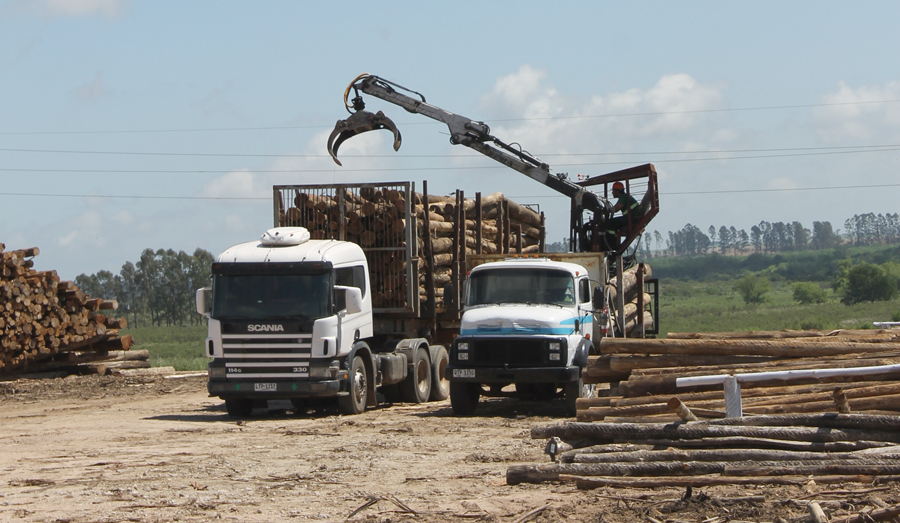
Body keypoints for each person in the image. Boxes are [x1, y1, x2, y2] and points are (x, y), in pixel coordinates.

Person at [605, 181, 643, 249]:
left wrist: (605, 210)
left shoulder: (623, 197)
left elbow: (616, 209)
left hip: (632, 219)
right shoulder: (624, 197)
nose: (612, 192)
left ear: (617, 191)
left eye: (613, 190)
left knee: (611, 223)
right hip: (632, 218)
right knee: (613, 222)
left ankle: (611, 246)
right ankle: (612, 244)